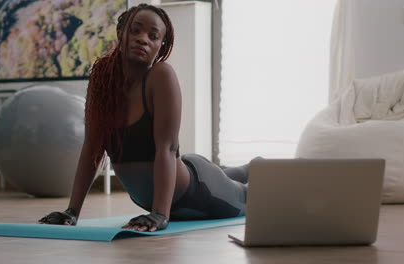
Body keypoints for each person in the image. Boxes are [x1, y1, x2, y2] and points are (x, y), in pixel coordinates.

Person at [38, 3, 254, 232]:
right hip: (170, 190)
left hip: (200, 191)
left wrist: (159, 214)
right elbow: (92, 147)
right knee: (232, 174)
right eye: (136, 30)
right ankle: (247, 168)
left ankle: (258, 166)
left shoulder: (160, 76)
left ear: (161, 46)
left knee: (251, 196)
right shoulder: (102, 79)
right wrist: (72, 211)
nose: (143, 39)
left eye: (153, 36)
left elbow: (167, 149)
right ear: (121, 33)